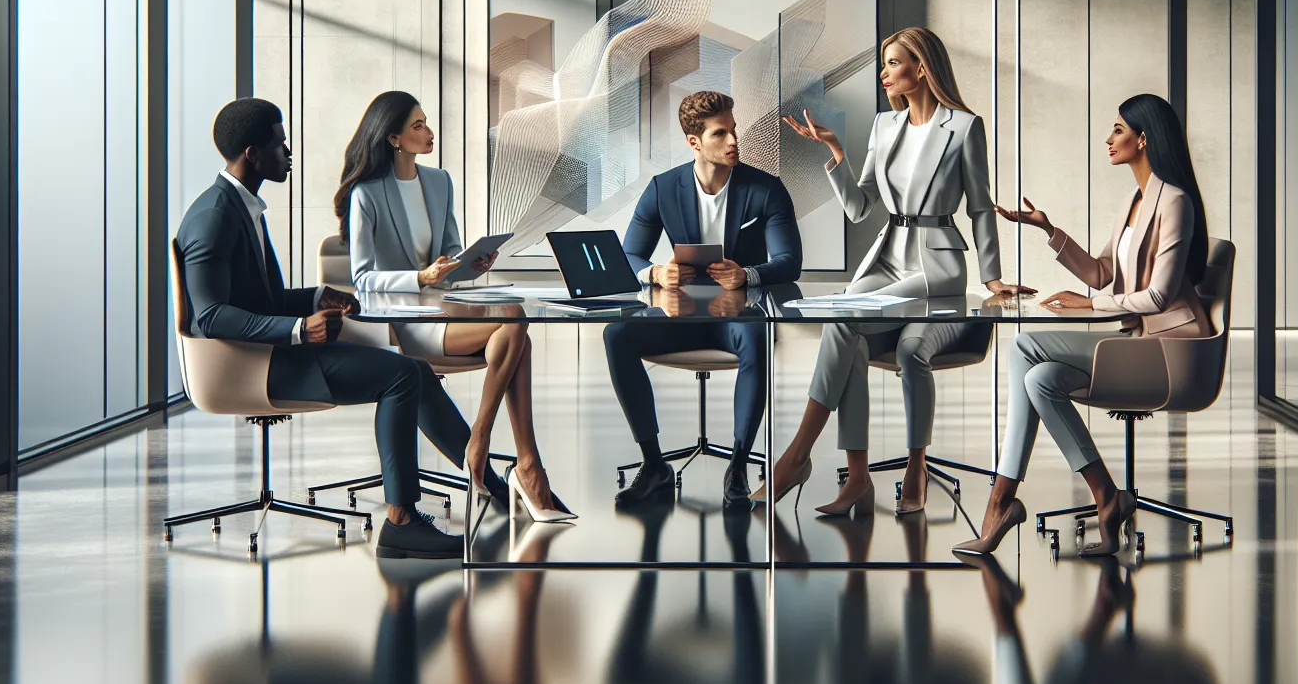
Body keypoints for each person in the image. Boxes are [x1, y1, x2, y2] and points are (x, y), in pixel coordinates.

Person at [177, 98, 460, 559]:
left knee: (414, 369)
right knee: (402, 375)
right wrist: (298, 329)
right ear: (253, 154)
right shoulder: (214, 217)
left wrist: (316, 297)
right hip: (253, 366)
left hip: (269, 352)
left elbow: (257, 299)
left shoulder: (240, 206)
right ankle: (402, 521)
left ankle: (488, 480)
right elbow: (210, 316)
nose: (289, 152)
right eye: (280, 144)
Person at [764, 27, 1023, 516]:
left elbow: (980, 207)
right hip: (888, 255)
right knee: (842, 325)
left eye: (893, 63)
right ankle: (857, 476)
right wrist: (836, 154)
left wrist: (991, 278)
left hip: (936, 263)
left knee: (862, 325)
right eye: (884, 63)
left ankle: (800, 457)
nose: (883, 73)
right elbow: (861, 207)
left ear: (921, 68)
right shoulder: (884, 126)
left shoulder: (965, 127)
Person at [955, 93, 1213, 558]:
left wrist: (1091, 304)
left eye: (1118, 129)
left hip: (1170, 352)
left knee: (1022, 347)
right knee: (1041, 378)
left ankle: (1000, 500)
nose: (1109, 138)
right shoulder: (1132, 201)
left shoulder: (1175, 202)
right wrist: (1047, 229)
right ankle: (1107, 495)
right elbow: (1100, 272)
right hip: (1137, 342)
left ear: (1143, 139)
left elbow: (1157, 296)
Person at [337, 90, 573, 522]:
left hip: (443, 306)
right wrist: (419, 278)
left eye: (426, 122)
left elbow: (449, 259)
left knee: (514, 319)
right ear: (393, 138)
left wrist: (471, 263)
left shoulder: (439, 181)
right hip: (403, 321)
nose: (429, 132)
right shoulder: (366, 194)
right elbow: (363, 278)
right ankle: (512, 458)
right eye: (418, 126)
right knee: (517, 334)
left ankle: (490, 446)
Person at [606, 90, 802, 510]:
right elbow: (629, 254)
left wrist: (747, 274)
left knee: (758, 336)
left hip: (739, 317)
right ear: (694, 142)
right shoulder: (663, 188)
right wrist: (655, 273)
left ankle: (738, 466)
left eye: (733, 130)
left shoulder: (766, 189)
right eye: (720, 134)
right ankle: (654, 464)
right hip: (679, 317)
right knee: (616, 334)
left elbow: (790, 261)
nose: (733, 141)